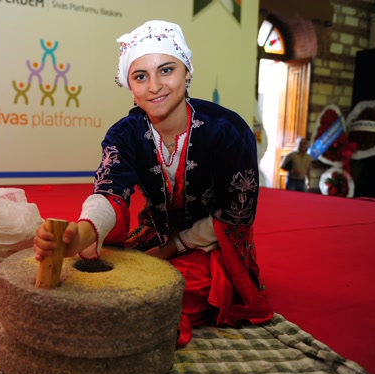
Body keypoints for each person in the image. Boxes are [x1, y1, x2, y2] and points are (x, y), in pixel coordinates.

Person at [33, 20, 273, 346]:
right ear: (129, 85)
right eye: (141, 76)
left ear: (187, 72)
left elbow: (236, 215)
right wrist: (80, 234)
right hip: (155, 235)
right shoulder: (125, 133)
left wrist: (171, 250)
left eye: (166, 70)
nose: (154, 86)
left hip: (213, 243)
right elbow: (110, 190)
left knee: (165, 293)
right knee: (105, 276)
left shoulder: (228, 130)